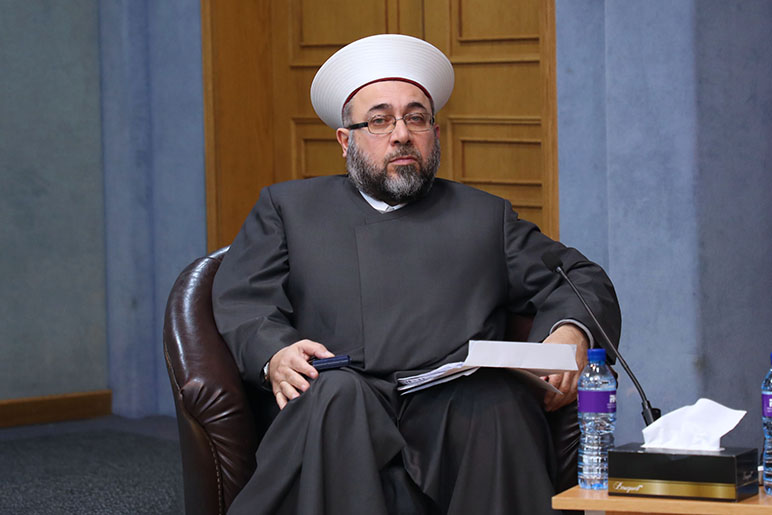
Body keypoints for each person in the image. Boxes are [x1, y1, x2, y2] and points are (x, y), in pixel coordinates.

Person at [212, 34, 621, 515]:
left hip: (453, 405)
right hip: (339, 397)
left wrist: (570, 331)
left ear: (435, 134)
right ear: (346, 141)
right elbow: (245, 301)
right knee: (336, 397)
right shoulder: (288, 209)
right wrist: (275, 354)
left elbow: (579, 277)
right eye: (379, 120)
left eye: (416, 118)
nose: (401, 134)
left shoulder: (483, 217)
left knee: (499, 399)